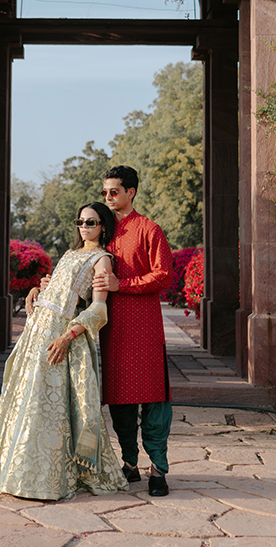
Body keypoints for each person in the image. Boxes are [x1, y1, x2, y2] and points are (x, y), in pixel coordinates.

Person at [0, 202, 129, 501]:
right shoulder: (71, 254)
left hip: (59, 336)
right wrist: (37, 290)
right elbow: (56, 289)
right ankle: (15, 468)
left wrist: (67, 337)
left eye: (92, 222)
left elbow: (98, 309)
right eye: (81, 221)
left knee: (48, 407)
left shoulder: (102, 260)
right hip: (37, 332)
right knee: (27, 399)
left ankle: (46, 477)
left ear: (103, 227)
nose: (84, 227)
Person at [93, 164, 174, 497]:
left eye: (114, 191)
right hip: (114, 330)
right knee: (120, 400)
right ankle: (129, 464)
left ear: (131, 192)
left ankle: (158, 468)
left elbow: (163, 275)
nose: (109, 198)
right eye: (105, 193)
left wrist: (120, 284)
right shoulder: (101, 231)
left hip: (145, 327)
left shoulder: (148, 229)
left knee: (154, 400)